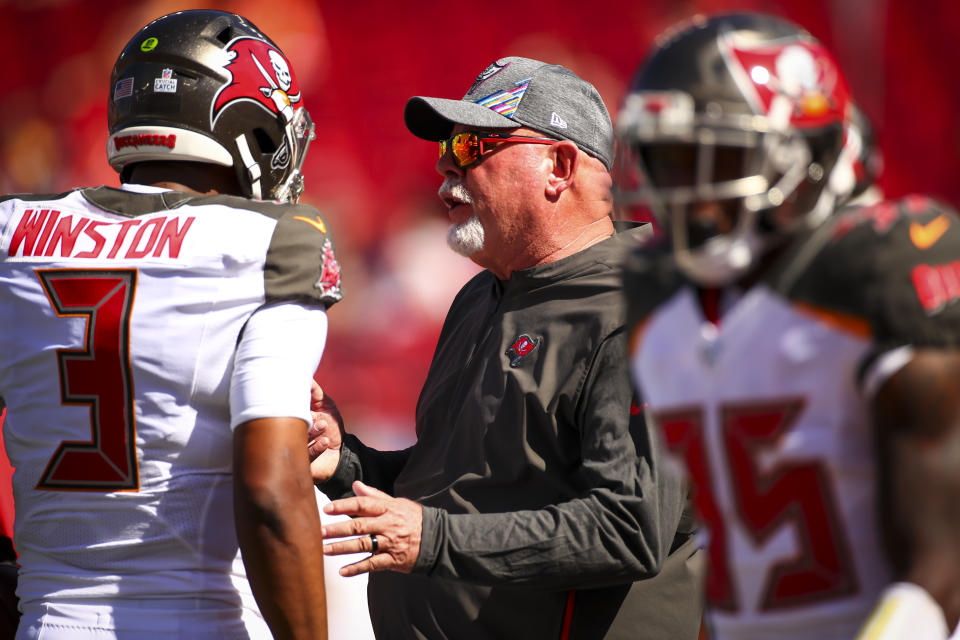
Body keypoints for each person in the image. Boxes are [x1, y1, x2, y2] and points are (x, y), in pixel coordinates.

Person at [308, 56, 703, 639]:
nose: (445, 164)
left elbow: (629, 527)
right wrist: (344, 462)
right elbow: (456, 488)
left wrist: (430, 539)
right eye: (449, 146)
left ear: (559, 166)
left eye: (472, 146)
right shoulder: (480, 296)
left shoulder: (643, 306)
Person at [615, 12, 960, 640]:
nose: (686, 193)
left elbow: (947, 552)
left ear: (803, 155)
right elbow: (733, 553)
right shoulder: (664, 308)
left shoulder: (876, 277)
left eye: (711, 158)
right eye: (667, 162)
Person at [0, 10, 337, 639]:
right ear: (247, 125)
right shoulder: (271, 243)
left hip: (48, 619)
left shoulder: (12, 233)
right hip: (198, 620)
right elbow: (270, 488)